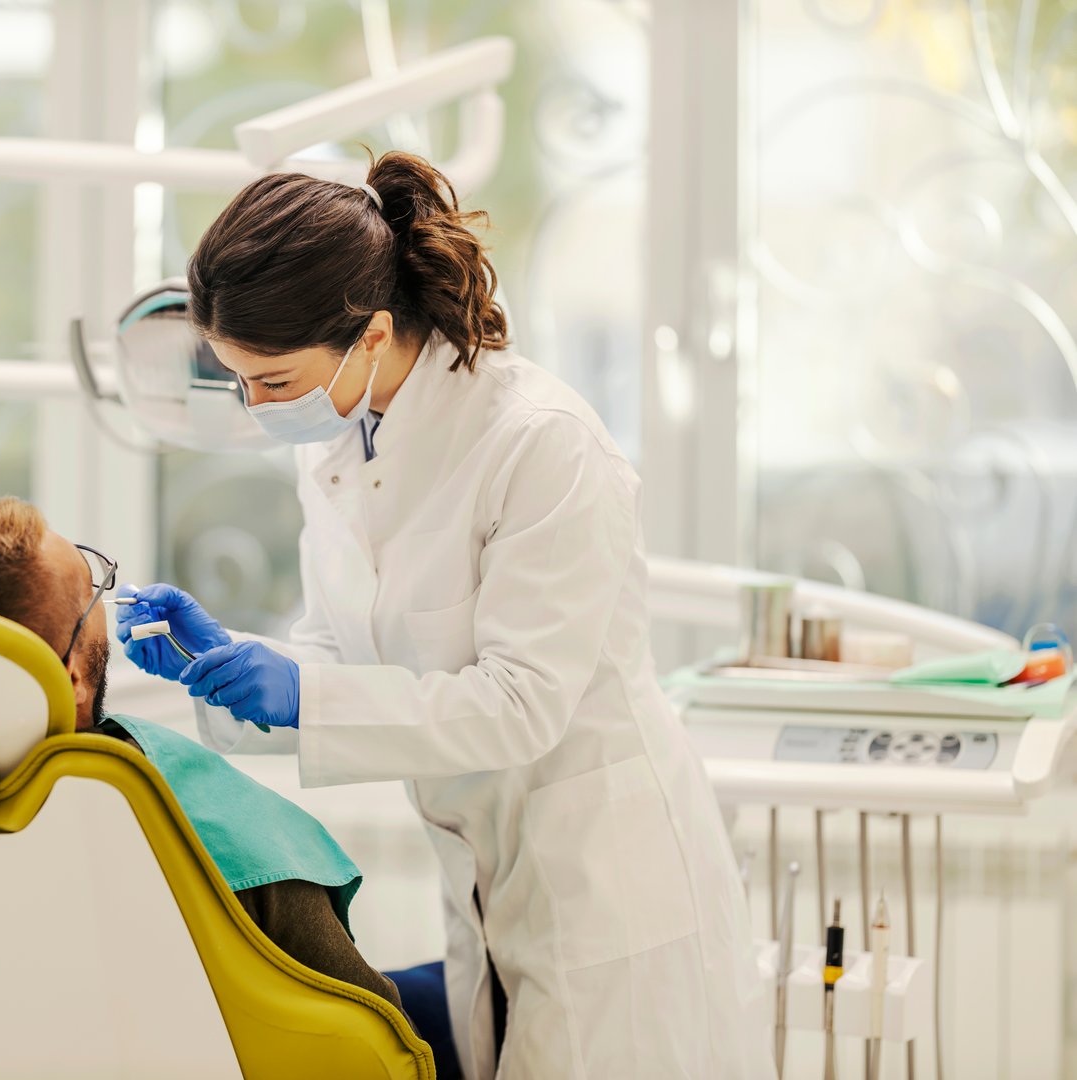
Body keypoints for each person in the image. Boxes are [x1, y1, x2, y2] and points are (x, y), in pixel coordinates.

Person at [115, 151, 770, 1079]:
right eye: (240, 382)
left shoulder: (539, 445)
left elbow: (521, 704)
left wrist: (303, 694)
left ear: (371, 335)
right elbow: (340, 653)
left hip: (604, 885)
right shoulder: (340, 443)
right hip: (481, 880)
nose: (258, 411)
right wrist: (230, 664)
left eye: (272, 381)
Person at [0, 496, 408, 1017]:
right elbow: (370, 1033)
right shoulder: (203, 822)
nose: (105, 605)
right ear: (68, 679)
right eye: (93, 592)